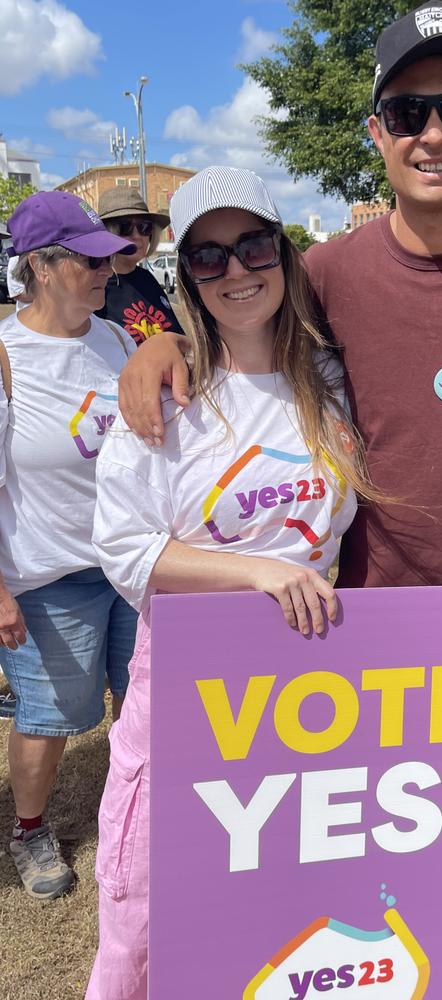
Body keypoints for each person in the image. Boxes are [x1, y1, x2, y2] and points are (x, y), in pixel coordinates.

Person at [116, 8, 442, 999]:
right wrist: (158, 343)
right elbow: (235, 323)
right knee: (359, 869)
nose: (431, 131)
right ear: (375, 132)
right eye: (407, 110)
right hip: (359, 626)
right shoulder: (329, 274)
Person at [86, 165, 372, 999]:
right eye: (208, 258)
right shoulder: (166, 396)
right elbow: (127, 549)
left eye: (252, 247)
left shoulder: (330, 383)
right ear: (184, 278)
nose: (236, 272)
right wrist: (257, 572)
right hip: (189, 690)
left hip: (311, 694)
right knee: (145, 917)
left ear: (283, 255)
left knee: (277, 909)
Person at [0, 191, 139, 900]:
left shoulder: (116, 341)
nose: (104, 273)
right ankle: (30, 829)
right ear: (41, 267)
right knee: (49, 716)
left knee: (144, 699)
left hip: (131, 567)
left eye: (105, 259)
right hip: (50, 576)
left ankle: (139, 814)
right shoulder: (6, 355)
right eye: (86, 261)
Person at [96, 186, 184, 344]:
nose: (137, 236)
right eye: (125, 227)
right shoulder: (97, 287)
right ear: (107, 232)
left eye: (144, 227)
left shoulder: (146, 279)